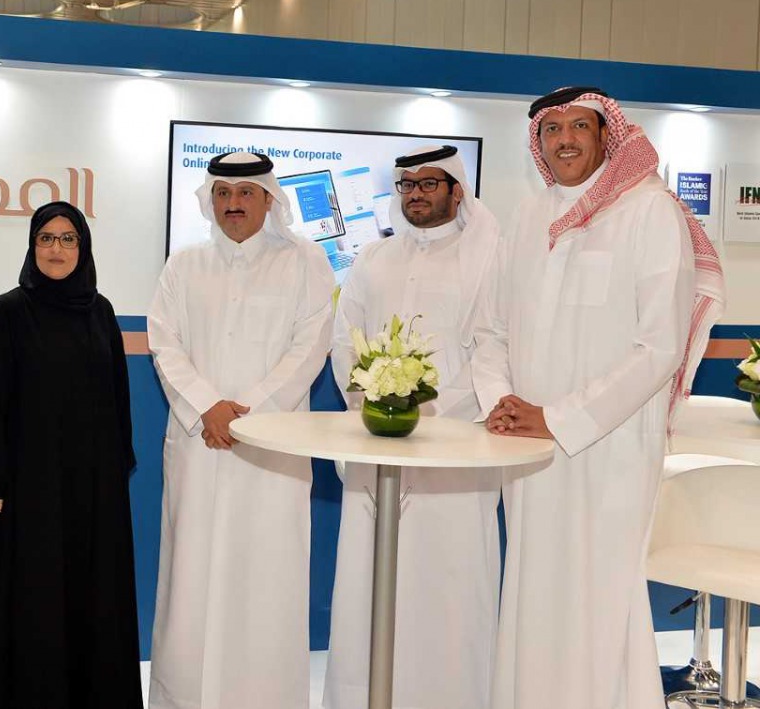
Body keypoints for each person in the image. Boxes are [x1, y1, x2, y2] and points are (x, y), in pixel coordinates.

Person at [473, 87, 724, 708]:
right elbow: (491, 328)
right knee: (534, 589)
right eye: (552, 128)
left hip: (609, 444)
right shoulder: (528, 217)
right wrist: (501, 400)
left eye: (578, 126)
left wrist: (556, 417)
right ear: (538, 142)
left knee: (599, 593)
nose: (564, 140)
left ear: (606, 133)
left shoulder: (650, 212)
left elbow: (658, 347)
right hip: (528, 450)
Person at [147, 151, 334, 709]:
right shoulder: (184, 265)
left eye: (246, 193)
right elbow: (165, 342)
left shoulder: (304, 262)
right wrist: (207, 407)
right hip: (198, 444)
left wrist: (248, 413)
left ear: (269, 199)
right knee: (191, 577)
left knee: (265, 575)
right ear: (210, 200)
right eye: (223, 193)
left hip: (271, 449)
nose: (233, 203)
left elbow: (312, 346)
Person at [0, 201, 142, 709]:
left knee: (90, 603)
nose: (57, 249)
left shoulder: (100, 312)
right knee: (28, 605)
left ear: (84, 247)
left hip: (92, 493)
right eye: (47, 239)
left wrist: (117, 467)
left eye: (68, 238)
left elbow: (118, 397)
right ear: (33, 247)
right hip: (25, 493)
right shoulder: (7, 311)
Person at [325, 145, 501, 709]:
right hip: (377, 443)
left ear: (456, 190)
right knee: (368, 583)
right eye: (407, 186)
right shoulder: (374, 260)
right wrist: (374, 409)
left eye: (429, 184)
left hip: (458, 450)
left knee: (449, 585)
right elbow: (344, 340)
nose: (417, 194)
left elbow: (495, 348)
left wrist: (430, 414)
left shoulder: (488, 259)